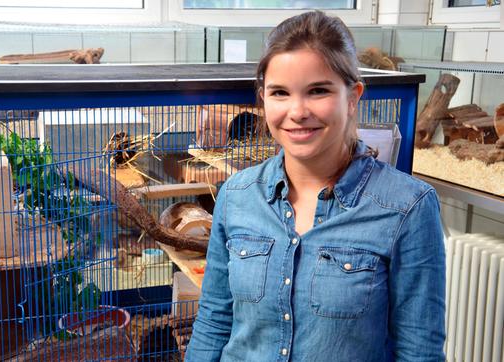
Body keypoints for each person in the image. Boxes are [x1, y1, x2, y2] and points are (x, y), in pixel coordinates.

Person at [185, 10, 446, 362]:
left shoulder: (406, 208)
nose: (297, 111)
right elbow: (214, 322)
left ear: (353, 96)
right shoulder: (237, 195)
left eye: (318, 91)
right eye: (280, 93)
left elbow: (419, 351)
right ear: (263, 98)